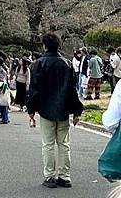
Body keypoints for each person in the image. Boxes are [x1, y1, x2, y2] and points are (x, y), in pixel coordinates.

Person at [27, 32, 84, 189]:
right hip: (64, 109)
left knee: (48, 144)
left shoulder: (37, 64)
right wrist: (77, 111)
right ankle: (65, 176)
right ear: (59, 45)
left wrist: (31, 110)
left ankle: (50, 176)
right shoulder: (66, 64)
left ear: (44, 46)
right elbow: (73, 90)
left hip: (45, 108)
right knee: (64, 144)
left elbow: (34, 90)